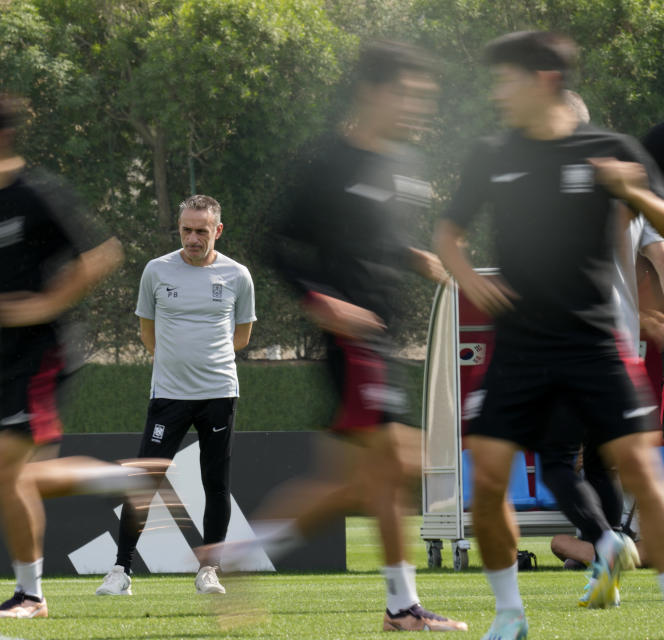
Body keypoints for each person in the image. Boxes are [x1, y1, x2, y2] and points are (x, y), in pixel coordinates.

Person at [203, 41, 466, 633]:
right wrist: (318, 300)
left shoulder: (399, 166)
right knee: (405, 464)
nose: (421, 107)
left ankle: (244, 557)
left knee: (361, 483)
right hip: (353, 345)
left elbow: (366, 242)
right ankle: (398, 604)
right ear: (375, 91)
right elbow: (277, 241)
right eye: (411, 94)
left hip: (380, 339)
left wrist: (415, 256)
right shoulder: (327, 162)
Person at [434, 30, 664, 640]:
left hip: (595, 341)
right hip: (519, 346)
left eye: (504, 79)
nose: (496, 93)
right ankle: (509, 616)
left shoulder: (610, 148)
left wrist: (632, 189)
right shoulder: (491, 152)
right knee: (485, 480)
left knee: (640, 472)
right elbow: (447, 234)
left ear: (545, 81)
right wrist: (467, 280)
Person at [0, 90, 166, 620]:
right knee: (11, 477)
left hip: (45, 352)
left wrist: (43, 305)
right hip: (4, 355)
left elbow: (101, 255)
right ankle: (125, 483)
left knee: (4, 470)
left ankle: (31, 595)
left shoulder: (35, 192)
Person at [535, 91, 664, 606]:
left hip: (573, 339)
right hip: (619, 344)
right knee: (607, 462)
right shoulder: (622, 178)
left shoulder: (545, 182)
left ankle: (610, 545)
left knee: (559, 456)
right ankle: (609, 561)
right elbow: (655, 248)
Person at [95, 194, 255, 596]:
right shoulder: (156, 271)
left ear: (217, 231)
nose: (193, 238)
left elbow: (241, 336)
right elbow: (147, 332)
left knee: (215, 483)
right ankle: (121, 571)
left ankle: (209, 571)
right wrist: (177, 366)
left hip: (219, 394)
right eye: (186, 229)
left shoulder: (238, 276)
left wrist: (206, 365)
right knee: (144, 481)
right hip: (168, 396)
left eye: (202, 231)